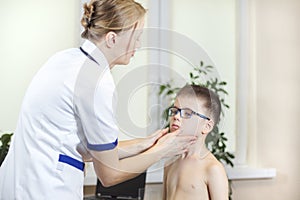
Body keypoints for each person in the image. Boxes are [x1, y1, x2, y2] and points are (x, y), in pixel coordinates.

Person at [0, 0, 196, 199]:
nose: (139, 44)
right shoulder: (96, 82)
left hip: (15, 184)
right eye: (136, 37)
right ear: (112, 39)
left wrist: (144, 144)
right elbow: (109, 174)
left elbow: (83, 147)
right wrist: (162, 151)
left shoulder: (63, 59)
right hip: (46, 189)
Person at [163, 84, 229, 200]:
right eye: (175, 110)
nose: (177, 117)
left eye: (187, 113)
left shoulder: (212, 169)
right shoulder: (169, 163)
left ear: (206, 127)